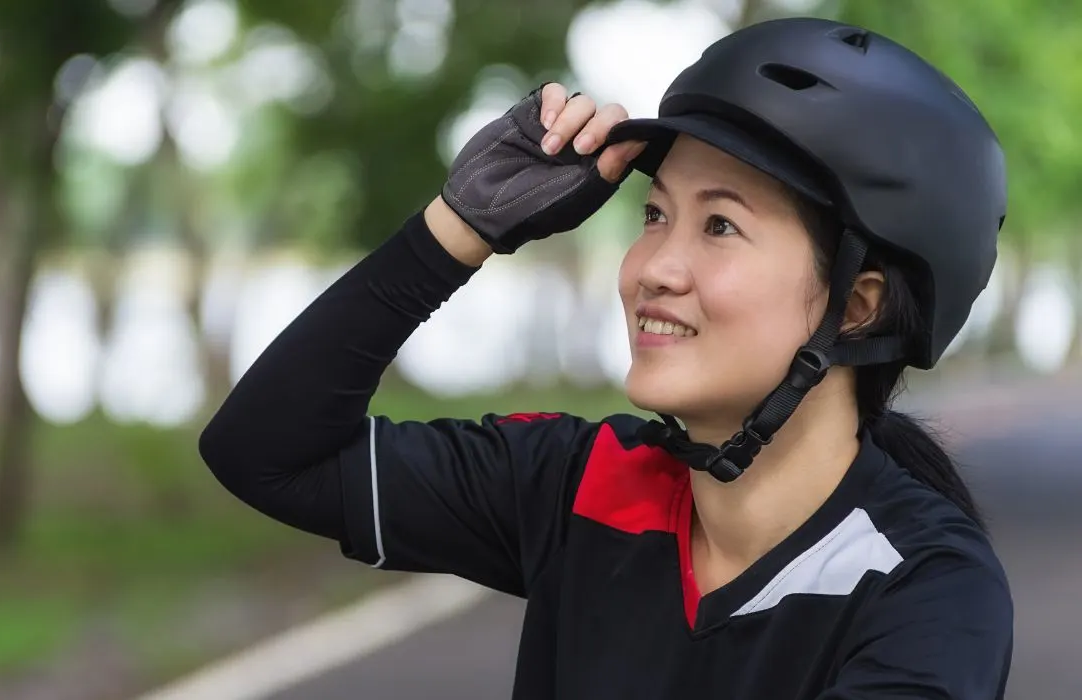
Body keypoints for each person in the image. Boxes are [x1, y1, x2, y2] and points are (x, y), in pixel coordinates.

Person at [199, 16, 1013, 700]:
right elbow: (267, 454)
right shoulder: (581, 484)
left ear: (858, 304)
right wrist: (456, 231)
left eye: (720, 225)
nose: (654, 268)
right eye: (655, 216)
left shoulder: (928, 592)